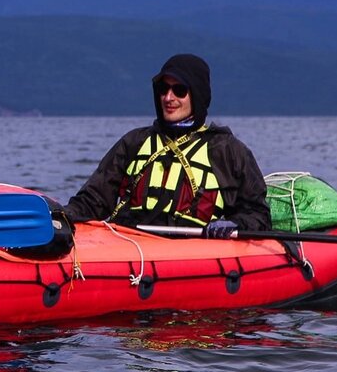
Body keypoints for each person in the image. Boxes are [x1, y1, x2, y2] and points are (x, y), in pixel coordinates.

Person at [59, 53, 271, 238]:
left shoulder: (227, 151)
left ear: (197, 95)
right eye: (163, 89)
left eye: (179, 90)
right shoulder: (134, 143)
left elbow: (258, 215)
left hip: (191, 253)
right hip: (130, 242)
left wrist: (236, 224)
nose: (169, 98)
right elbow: (93, 200)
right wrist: (62, 216)